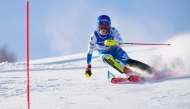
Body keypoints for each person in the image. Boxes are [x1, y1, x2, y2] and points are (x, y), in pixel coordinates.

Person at [85, 15, 155, 80]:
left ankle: (150, 70)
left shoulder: (113, 30)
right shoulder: (94, 36)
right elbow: (89, 52)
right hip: (103, 53)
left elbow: (120, 40)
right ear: (98, 26)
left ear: (109, 26)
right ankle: (128, 71)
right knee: (107, 58)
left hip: (115, 50)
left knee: (128, 62)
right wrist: (88, 66)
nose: (103, 29)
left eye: (105, 27)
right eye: (101, 27)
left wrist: (113, 43)